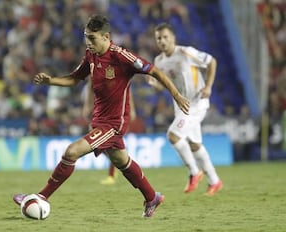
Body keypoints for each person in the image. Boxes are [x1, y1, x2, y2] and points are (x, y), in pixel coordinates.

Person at [13, 15, 189, 218]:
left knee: (71, 152)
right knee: (122, 161)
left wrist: (176, 95)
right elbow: (74, 79)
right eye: (86, 37)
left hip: (114, 124)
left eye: (93, 38)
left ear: (106, 37)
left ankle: (40, 197)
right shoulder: (91, 55)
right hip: (99, 121)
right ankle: (152, 197)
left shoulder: (122, 57)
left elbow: (155, 71)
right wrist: (50, 81)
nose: (88, 43)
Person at [147, 22, 223, 196]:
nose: (162, 41)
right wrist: (155, 84)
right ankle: (215, 181)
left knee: (173, 136)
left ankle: (195, 172)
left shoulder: (186, 52)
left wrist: (209, 86)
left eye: (165, 37)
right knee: (195, 145)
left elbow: (212, 61)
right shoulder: (158, 61)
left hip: (196, 102)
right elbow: (164, 85)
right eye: (159, 38)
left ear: (173, 37)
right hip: (180, 106)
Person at [82, 81, 137, 185]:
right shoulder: (94, 68)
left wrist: (132, 109)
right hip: (101, 111)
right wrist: (87, 105)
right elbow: (90, 86)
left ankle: (112, 174)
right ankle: (121, 161)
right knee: (99, 143)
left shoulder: (118, 71)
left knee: (110, 143)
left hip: (118, 112)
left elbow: (127, 88)